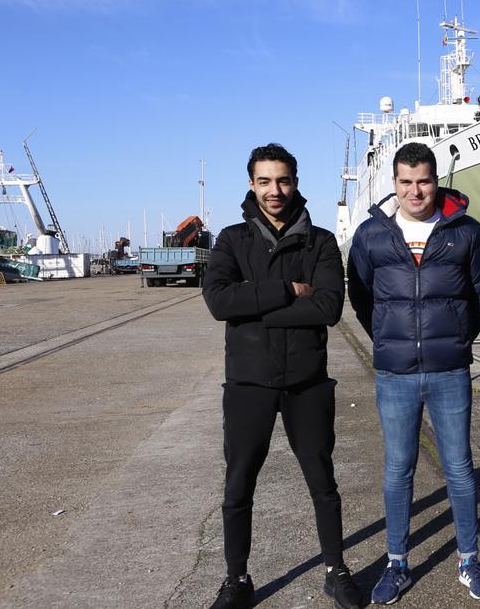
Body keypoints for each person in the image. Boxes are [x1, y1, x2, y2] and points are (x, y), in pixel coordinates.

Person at [202, 143, 360, 609]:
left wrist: (255, 309)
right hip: (248, 383)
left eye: (284, 180)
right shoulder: (232, 240)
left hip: (306, 382)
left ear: (295, 181)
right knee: (238, 485)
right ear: (252, 184)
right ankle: (237, 579)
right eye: (265, 181)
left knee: (323, 482)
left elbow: (329, 308)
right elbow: (218, 303)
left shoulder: (321, 241)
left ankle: (336, 568)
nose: (276, 190)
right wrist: (286, 291)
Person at [347, 142, 480, 603]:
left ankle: (469, 560)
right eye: (407, 182)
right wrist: (392, 344)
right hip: (395, 374)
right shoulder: (371, 235)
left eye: (424, 181)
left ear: (437, 181)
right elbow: (361, 297)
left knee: (459, 467)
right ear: (394, 184)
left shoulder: (465, 231)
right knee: (398, 470)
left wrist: (454, 340)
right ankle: (397, 563)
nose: (416, 191)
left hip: (449, 370)